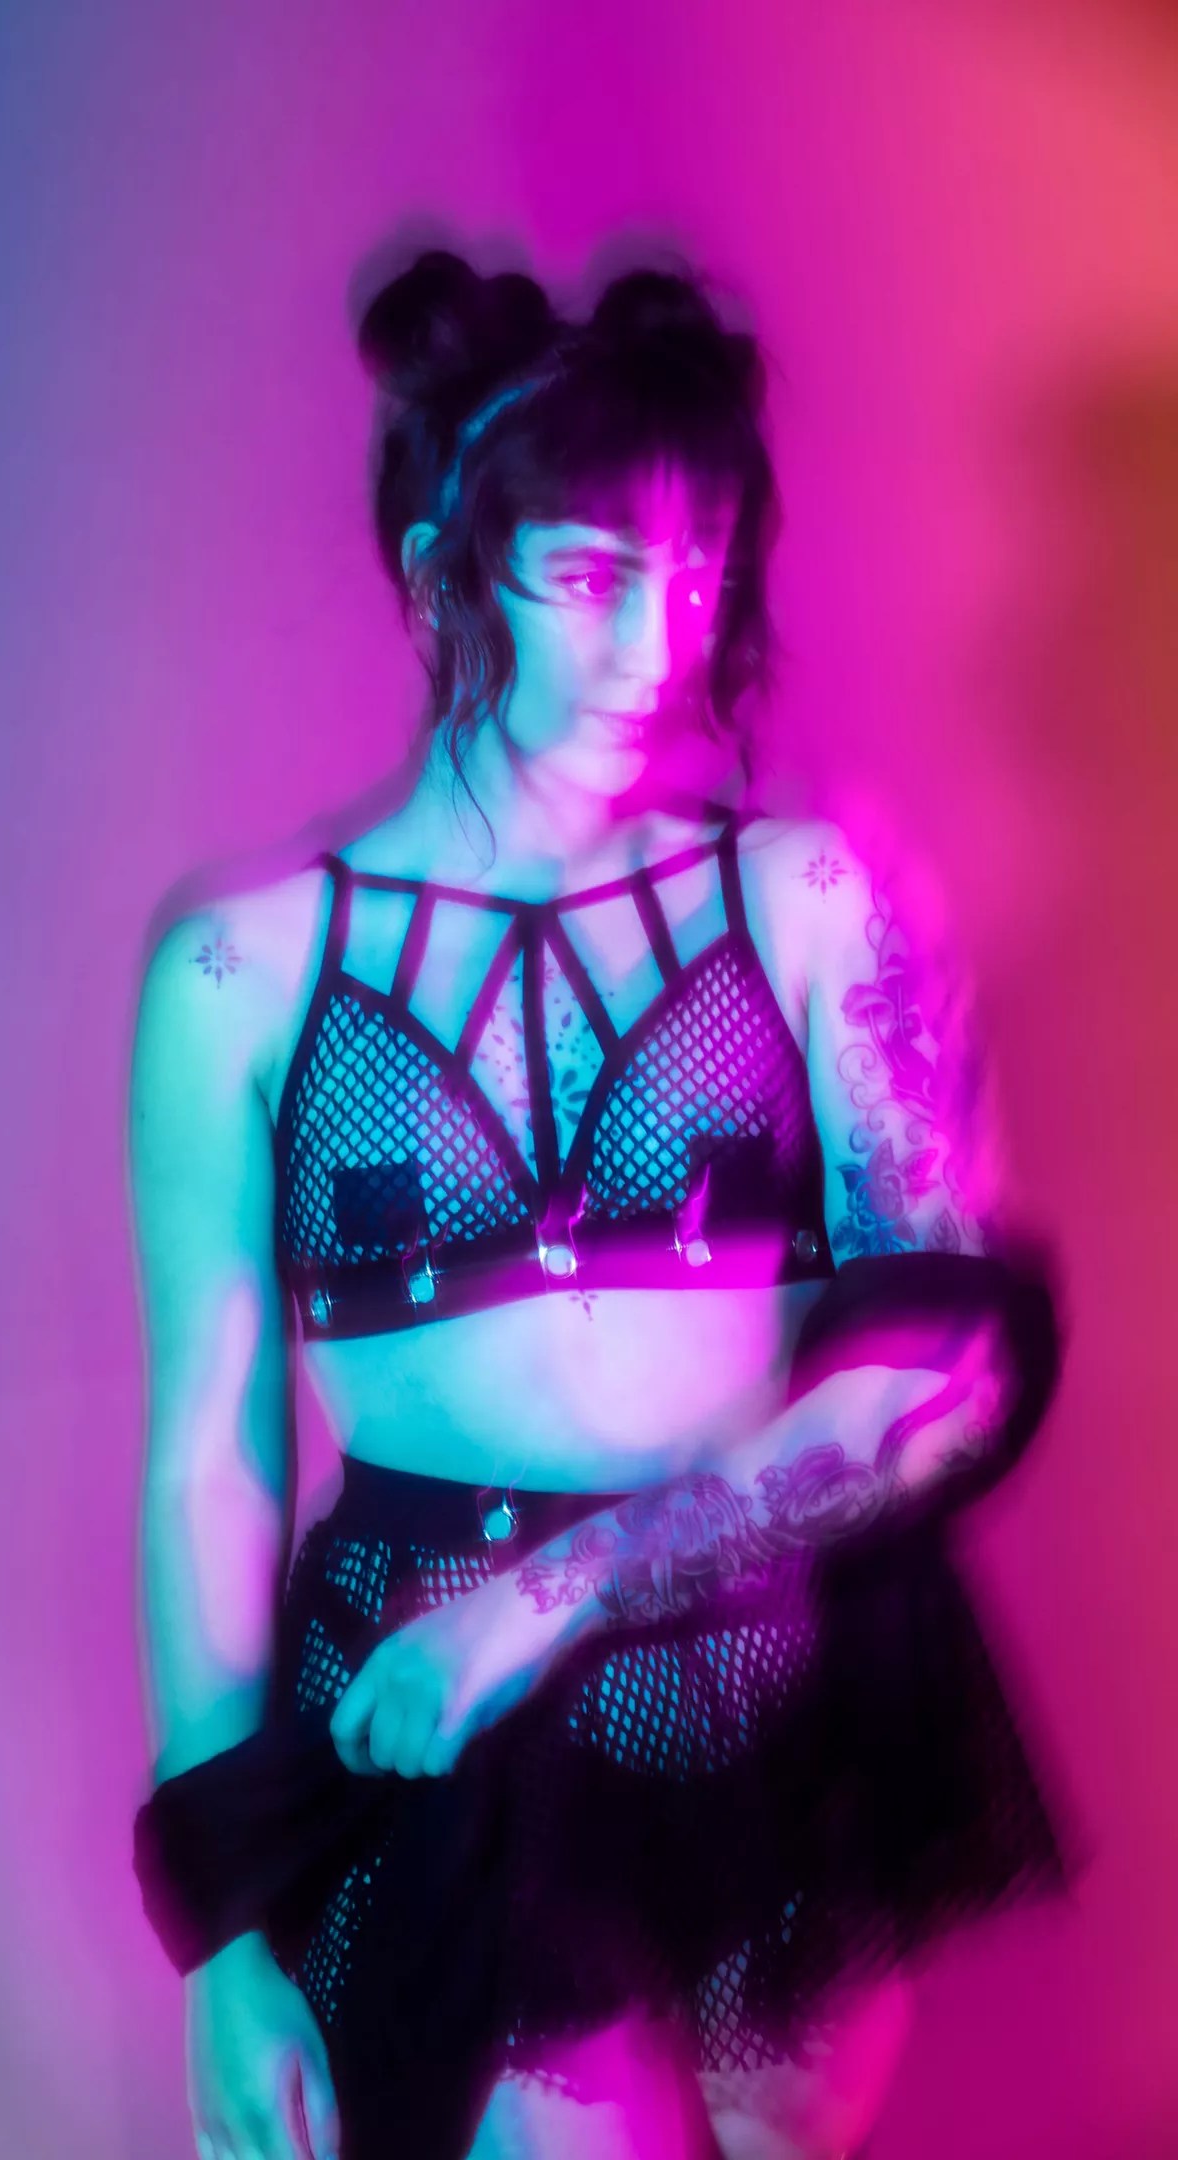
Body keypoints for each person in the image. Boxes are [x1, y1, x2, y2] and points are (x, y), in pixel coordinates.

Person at [128, 249, 1072, 2160]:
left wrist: (553, 1597)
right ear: (441, 574)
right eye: (592, 576)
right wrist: (226, 1934)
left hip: (779, 1698)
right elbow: (211, 1457)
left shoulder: (809, 903)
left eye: (699, 570)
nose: (663, 640)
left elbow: (944, 1383)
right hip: (446, 1720)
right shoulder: (245, 969)